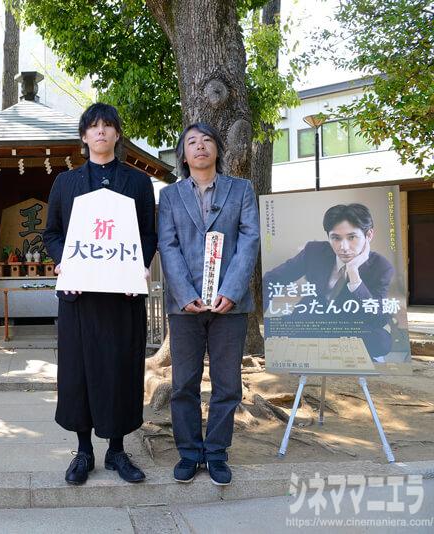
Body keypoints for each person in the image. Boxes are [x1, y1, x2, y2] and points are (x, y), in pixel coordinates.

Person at [43, 103, 156, 485]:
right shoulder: (66, 183)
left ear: (117, 134)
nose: (101, 132)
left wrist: (140, 263)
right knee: (79, 373)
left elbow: (148, 234)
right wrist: (64, 263)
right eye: (94, 126)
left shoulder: (138, 182)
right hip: (79, 296)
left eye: (108, 126)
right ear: (84, 136)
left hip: (121, 297)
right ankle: (83, 450)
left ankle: (118, 450)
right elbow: (52, 234)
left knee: (121, 370)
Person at [158, 122, 259, 486]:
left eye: (206, 141)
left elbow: (249, 240)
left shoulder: (241, 189)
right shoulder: (170, 196)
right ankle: (188, 453)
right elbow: (167, 246)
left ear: (217, 149)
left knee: (227, 383)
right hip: (184, 306)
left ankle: (216, 452)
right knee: (183, 383)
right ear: (183, 155)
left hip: (229, 305)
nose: (199, 147)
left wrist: (231, 290)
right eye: (191, 142)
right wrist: (185, 294)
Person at [263, 203, 393, 361]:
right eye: (336, 238)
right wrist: (261, 313)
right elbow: (272, 279)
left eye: (352, 237)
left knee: (381, 342)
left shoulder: (381, 266)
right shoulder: (314, 251)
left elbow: (378, 318)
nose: (343, 247)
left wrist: (353, 274)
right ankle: (326, 344)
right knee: (267, 328)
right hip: (312, 320)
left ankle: (317, 343)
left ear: (369, 235)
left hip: (351, 325)